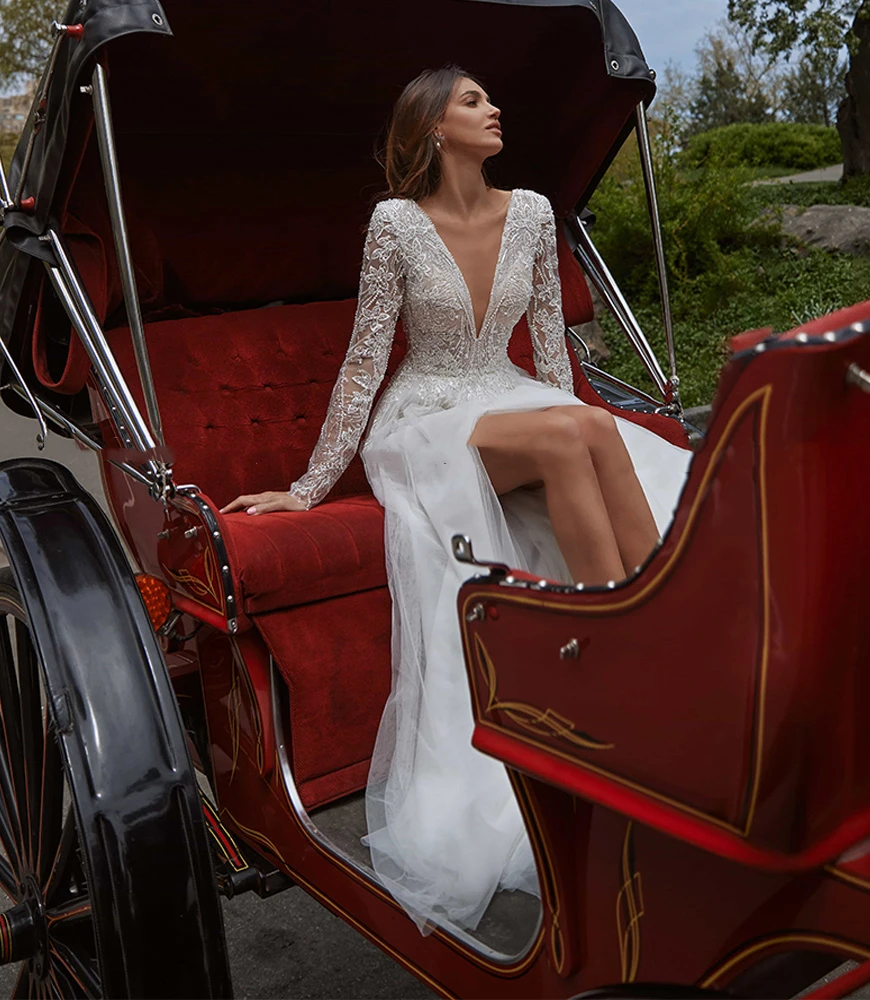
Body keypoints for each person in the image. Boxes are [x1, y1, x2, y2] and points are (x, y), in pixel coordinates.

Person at [221, 66, 692, 934]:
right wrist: (306, 489)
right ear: (434, 128)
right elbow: (368, 360)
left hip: (508, 397)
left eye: (490, 97)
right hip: (425, 416)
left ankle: (661, 639)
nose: (493, 107)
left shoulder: (536, 213)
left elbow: (553, 358)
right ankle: (621, 665)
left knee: (585, 428)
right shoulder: (395, 223)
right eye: (473, 100)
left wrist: (597, 428)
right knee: (566, 433)